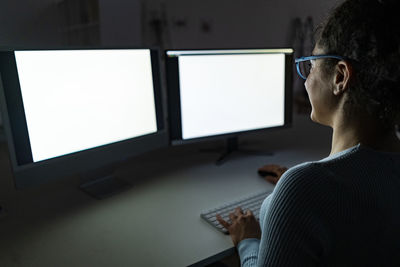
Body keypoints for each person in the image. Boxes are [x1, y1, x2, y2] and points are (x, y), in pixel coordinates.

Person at [217, 0, 400, 266]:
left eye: (311, 66)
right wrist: (309, 182)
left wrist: (249, 241)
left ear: (340, 77)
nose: (306, 79)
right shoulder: (311, 186)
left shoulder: (302, 190)